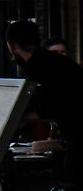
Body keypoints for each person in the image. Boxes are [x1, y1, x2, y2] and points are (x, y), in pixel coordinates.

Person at [7, 19, 83, 147]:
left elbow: (47, 111)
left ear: (12, 46)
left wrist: (9, 116)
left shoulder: (40, 66)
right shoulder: (50, 61)